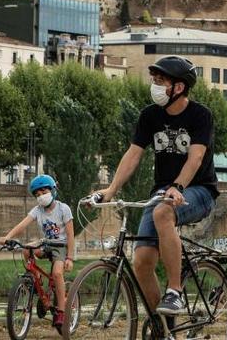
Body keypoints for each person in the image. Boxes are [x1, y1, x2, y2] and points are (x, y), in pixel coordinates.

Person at [93, 55, 218, 316]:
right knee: (141, 262)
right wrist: (111, 189)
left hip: (199, 191)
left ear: (179, 87)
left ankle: (175, 292)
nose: (155, 85)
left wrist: (178, 187)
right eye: (154, 80)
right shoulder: (149, 115)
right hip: (163, 193)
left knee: (163, 212)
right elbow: (133, 154)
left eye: (161, 81)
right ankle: (163, 327)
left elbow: (195, 158)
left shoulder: (200, 115)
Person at [0, 174, 75, 332]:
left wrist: (70, 257)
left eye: (44, 192)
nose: (41, 196)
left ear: (53, 191)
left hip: (60, 246)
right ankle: (36, 279)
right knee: (26, 249)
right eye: (37, 194)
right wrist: (8, 237)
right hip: (46, 244)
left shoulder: (63, 208)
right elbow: (22, 225)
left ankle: (61, 311)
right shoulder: (37, 210)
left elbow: (70, 235)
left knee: (57, 273)